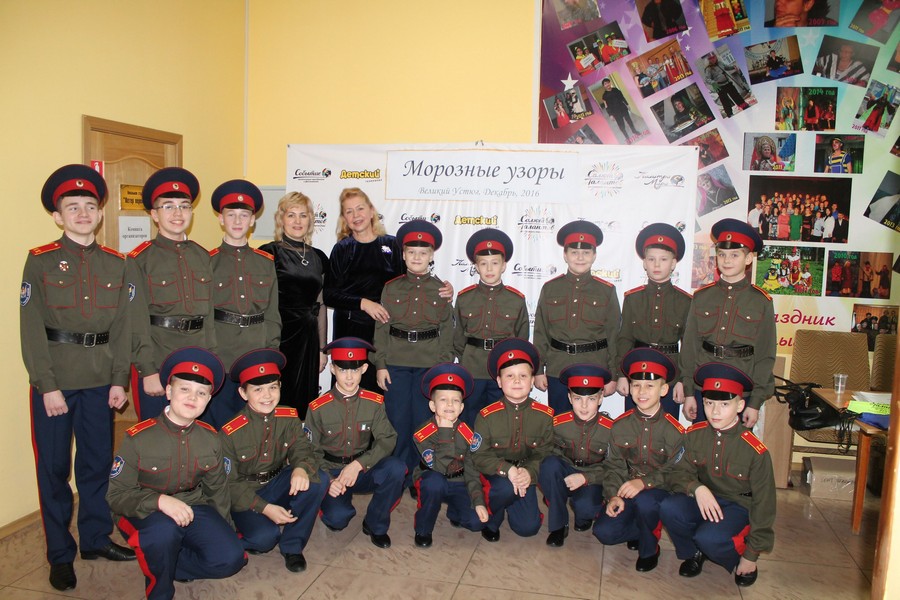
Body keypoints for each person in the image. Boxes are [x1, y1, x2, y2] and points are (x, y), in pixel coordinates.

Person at [21, 164, 135, 591]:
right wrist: (47, 385)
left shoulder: (117, 264)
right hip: (56, 381)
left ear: (100, 214)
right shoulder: (40, 261)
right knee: (53, 469)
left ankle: (95, 538)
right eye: (73, 207)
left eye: (90, 205)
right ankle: (59, 554)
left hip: (100, 380)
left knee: (97, 463)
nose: (83, 213)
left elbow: (123, 326)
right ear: (58, 216)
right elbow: (31, 328)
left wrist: (119, 379)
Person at [107, 347, 246, 600]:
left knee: (231, 558)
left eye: (201, 392)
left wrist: (225, 531)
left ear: (208, 400)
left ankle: (169, 562)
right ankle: (159, 588)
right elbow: (116, 497)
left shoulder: (211, 439)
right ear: (169, 392)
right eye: (184, 389)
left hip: (193, 504)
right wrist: (159, 501)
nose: (193, 397)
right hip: (144, 511)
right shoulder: (138, 438)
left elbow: (217, 492)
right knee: (163, 532)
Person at [660, 363, 775, 587]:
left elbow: (765, 505)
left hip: (737, 506)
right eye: (709, 403)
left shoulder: (754, 451)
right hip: (704, 499)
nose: (715, 411)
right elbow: (676, 473)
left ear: (740, 405)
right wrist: (697, 488)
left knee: (709, 538)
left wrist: (751, 555)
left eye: (724, 404)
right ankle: (695, 552)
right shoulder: (694, 435)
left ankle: (736, 553)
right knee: (669, 507)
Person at [219, 349, 328, 572]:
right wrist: (265, 508)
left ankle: (292, 546)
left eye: (273, 387)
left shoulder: (288, 417)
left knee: (318, 479)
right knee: (265, 539)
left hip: (277, 483)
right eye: (257, 389)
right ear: (243, 393)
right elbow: (230, 484)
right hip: (245, 494)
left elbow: (301, 448)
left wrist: (300, 468)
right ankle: (234, 535)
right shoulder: (230, 433)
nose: (267, 396)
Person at [127, 167, 215, 420]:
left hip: (198, 357)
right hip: (160, 360)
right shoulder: (139, 259)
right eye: (168, 206)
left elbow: (209, 316)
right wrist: (148, 371)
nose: (178, 213)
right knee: (156, 433)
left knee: (198, 431)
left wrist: (212, 359)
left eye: (184, 206)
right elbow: (135, 321)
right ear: (154, 214)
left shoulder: (203, 256)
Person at [373, 219, 454, 488]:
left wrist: (442, 367)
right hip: (396, 363)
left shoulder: (441, 289)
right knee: (397, 420)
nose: (417, 257)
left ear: (431, 256)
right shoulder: (391, 287)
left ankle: (419, 477)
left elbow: (447, 331)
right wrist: (380, 364)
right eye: (411, 252)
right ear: (403, 255)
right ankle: (397, 475)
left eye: (423, 252)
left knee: (423, 422)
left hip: (428, 365)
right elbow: (382, 328)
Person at [307, 338, 405, 549]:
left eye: (355, 370)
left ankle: (375, 524)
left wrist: (359, 465)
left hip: (361, 469)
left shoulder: (374, 403)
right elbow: (309, 451)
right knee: (337, 520)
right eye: (343, 370)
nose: (349, 377)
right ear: (332, 369)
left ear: (364, 369)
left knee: (396, 468)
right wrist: (329, 480)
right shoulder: (318, 407)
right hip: (331, 471)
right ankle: (332, 503)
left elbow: (388, 438)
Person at [593, 348, 684, 573]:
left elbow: (676, 472)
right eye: (636, 385)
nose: (642, 392)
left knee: (647, 502)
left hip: (659, 492)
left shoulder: (675, 432)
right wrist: (613, 495)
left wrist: (644, 483)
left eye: (650, 386)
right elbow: (613, 466)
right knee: (604, 532)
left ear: (664, 389)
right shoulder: (620, 425)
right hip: (628, 490)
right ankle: (640, 527)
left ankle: (650, 549)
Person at [679, 219, 775, 427]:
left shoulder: (761, 302)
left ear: (748, 258)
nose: (727, 260)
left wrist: (755, 403)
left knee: (737, 446)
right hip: (704, 385)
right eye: (722, 254)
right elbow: (690, 347)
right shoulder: (702, 296)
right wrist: (689, 392)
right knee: (700, 442)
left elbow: (765, 355)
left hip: (742, 388)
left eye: (734, 255)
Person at [206, 180, 281, 428]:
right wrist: (211, 355)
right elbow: (204, 315)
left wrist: (270, 352)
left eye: (244, 215)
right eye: (231, 215)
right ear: (221, 219)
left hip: (256, 354)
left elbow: (272, 314)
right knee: (220, 424)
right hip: (222, 355)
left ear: (252, 220)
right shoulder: (207, 262)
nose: (237, 221)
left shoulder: (265, 262)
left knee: (254, 425)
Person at [469, 338, 554, 542]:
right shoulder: (487, 416)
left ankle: (514, 500)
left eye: (523, 376)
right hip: (495, 476)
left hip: (524, 474)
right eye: (509, 376)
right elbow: (479, 456)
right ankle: (494, 517)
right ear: (499, 382)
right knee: (502, 491)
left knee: (528, 528)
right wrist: (508, 470)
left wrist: (529, 472)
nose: (517, 381)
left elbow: (545, 452)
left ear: (532, 381)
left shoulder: (544, 416)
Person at [533, 220, 620, 414]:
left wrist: (613, 375)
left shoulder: (606, 291)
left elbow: (614, 336)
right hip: (558, 367)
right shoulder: (550, 289)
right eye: (574, 252)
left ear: (594, 255)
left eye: (586, 252)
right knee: (558, 423)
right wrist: (538, 370)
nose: (580, 258)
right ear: (565, 255)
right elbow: (541, 333)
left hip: (593, 367)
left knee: (588, 423)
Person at [258, 192, 329, 418]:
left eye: (303, 215)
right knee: (276, 396)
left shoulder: (319, 257)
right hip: (279, 336)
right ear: (281, 219)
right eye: (291, 215)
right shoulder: (269, 252)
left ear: (310, 220)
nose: (297, 221)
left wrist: (322, 349)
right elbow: (260, 302)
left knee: (305, 402)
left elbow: (321, 304)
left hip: (309, 338)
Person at [454, 228, 529, 425]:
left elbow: (521, 338)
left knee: (501, 420)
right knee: (470, 418)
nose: (489, 269)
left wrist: (510, 366)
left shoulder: (516, 300)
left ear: (503, 266)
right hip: (472, 368)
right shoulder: (464, 298)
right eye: (483, 263)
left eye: (495, 263)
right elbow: (458, 338)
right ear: (476, 267)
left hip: (503, 369)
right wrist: (467, 358)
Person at [616, 224, 691, 419]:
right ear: (644, 263)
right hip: (637, 374)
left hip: (670, 374)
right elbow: (625, 339)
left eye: (663, 259)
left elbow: (689, 346)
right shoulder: (632, 299)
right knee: (633, 426)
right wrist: (622, 374)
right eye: (651, 259)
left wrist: (683, 381)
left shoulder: (685, 301)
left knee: (668, 427)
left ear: (673, 264)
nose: (657, 265)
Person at [411, 363, 487, 547]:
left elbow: (471, 470)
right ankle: (423, 529)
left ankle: (455, 511)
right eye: (443, 400)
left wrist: (478, 501)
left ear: (461, 407)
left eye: (455, 401)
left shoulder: (467, 433)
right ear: (432, 405)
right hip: (432, 479)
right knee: (435, 484)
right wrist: (445, 432)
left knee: (477, 523)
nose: (450, 405)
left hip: (459, 481)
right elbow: (439, 467)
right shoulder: (423, 433)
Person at [539, 364, 613, 547]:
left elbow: (615, 467)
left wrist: (586, 478)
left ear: (601, 397)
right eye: (578, 398)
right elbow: (545, 453)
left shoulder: (611, 430)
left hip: (593, 477)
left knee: (587, 508)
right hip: (566, 471)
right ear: (569, 398)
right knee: (548, 465)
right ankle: (559, 525)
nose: (584, 405)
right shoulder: (558, 424)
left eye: (591, 398)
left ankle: (583, 513)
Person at [703, 52, 747, 118]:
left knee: (736, 96)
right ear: (708, 60)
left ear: (716, 57)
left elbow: (726, 67)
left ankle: (744, 106)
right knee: (725, 101)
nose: (713, 59)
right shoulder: (708, 69)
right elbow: (707, 79)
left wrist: (733, 67)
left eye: (714, 57)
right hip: (720, 87)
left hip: (727, 83)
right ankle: (729, 114)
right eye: (711, 58)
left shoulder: (720, 63)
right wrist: (713, 82)